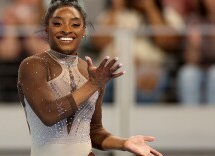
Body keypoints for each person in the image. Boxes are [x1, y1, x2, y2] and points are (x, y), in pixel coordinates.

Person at [17, 0, 163, 156]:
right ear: (46, 29)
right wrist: (93, 84)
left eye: (75, 24)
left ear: (84, 30)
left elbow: (94, 132)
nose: (67, 30)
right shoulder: (33, 65)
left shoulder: (91, 72)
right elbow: (49, 113)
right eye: (58, 24)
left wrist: (125, 143)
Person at [91, 0, 184, 103]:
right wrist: (116, 8)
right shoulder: (113, 13)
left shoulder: (167, 14)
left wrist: (151, 8)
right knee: (96, 86)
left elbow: (169, 44)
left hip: (150, 68)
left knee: (146, 89)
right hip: (113, 68)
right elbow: (98, 43)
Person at [177, 0, 215, 105]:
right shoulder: (194, 21)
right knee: (188, 74)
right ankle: (189, 118)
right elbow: (190, 60)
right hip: (197, 66)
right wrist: (194, 45)